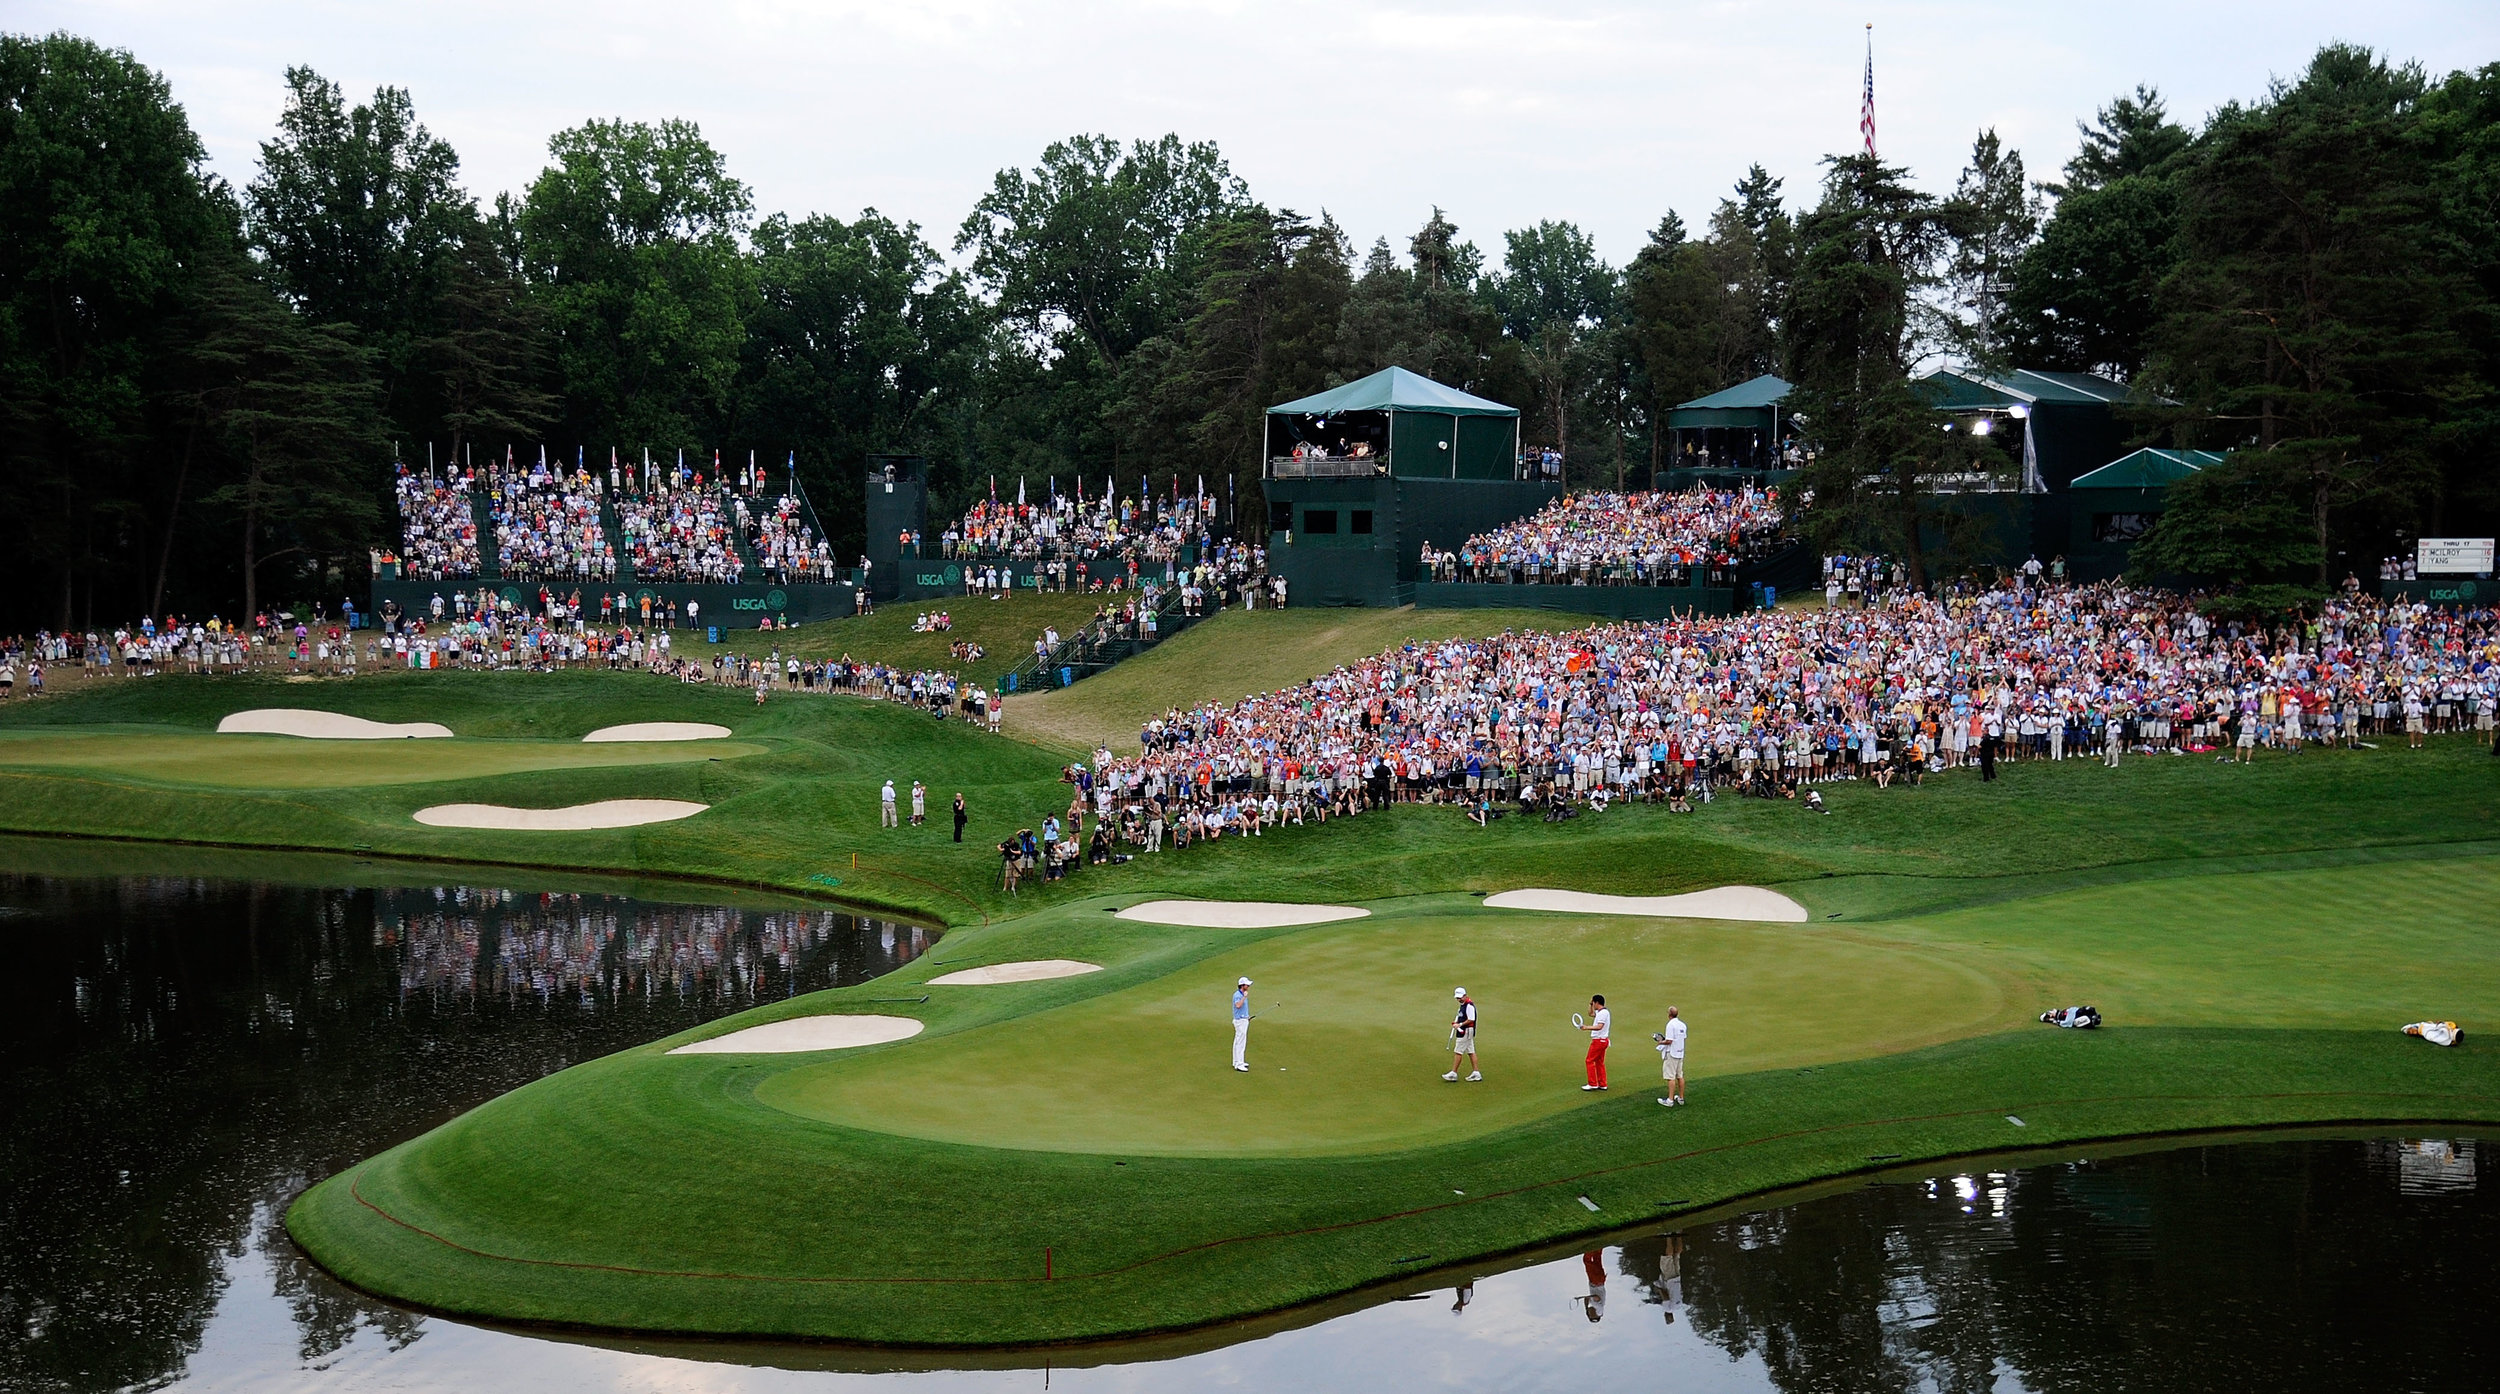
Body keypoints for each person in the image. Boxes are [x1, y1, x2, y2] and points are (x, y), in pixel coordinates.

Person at [1445, 987, 1480, 1081]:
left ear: (1465, 995)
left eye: (1460, 997)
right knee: (1471, 1052)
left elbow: (1471, 1019)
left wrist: (1459, 1024)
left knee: (1458, 1052)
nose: (1459, 999)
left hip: (1465, 1031)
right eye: (1457, 998)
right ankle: (1476, 1073)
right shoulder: (1463, 1005)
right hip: (1466, 1031)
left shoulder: (1469, 1006)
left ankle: (1453, 1073)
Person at [1655, 1006, 1687, 1107]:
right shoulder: (1682, 1025)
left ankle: (1670, 1100)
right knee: (1680, 1076)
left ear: (1669, 1015)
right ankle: (1681, 1098)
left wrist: (1660, 1042)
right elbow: (1682, 1038)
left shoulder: (1670, 1025)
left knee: (1671, 1077)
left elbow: (1669, 1041)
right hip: (1680, 1053)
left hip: (1672, 1053)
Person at [1582, 994, 1610, 1091]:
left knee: (1589, 1060)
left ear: (1597, 1003)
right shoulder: (1601, 1012)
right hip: (1603, 1041)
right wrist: (1590, 1005)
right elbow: (1590, 1014)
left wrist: (1586, 1028)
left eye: (1593, 1003)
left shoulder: (1603, 1013)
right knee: (1599, 1062)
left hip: (1599, 1041)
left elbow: (1599, 1026)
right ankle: (1602, 1084)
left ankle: (1592, 1083)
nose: (1593, 1004)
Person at [1231, 976, 1253, 1072]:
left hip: (1243, 1019)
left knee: (1238, 1041)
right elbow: (1238, 1005)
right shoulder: (1238, 995)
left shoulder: (1242, 994)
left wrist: (1247, 1016)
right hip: (1240, 1021)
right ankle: (1239, 1064)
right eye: (1246, 985)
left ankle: (1237, 1061)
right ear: (1242, 985)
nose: (1248, 986)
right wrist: (1244, 997)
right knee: (1240, 1042)